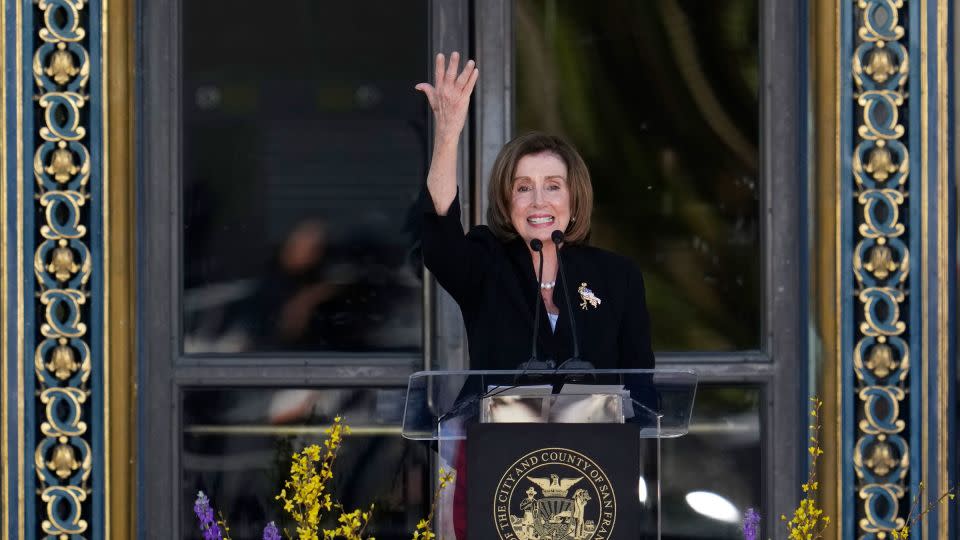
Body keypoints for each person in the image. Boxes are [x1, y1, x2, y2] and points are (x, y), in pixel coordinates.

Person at [415, 52, 655, 370]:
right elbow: (440, 234)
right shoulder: (487, 264)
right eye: (523, 187)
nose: (539, 200)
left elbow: (640, 384)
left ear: (574, 198)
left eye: (553, 186)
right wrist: (447, 134)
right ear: (506, 200)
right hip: (496, 421)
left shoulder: (616, 276)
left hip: (596, 422)